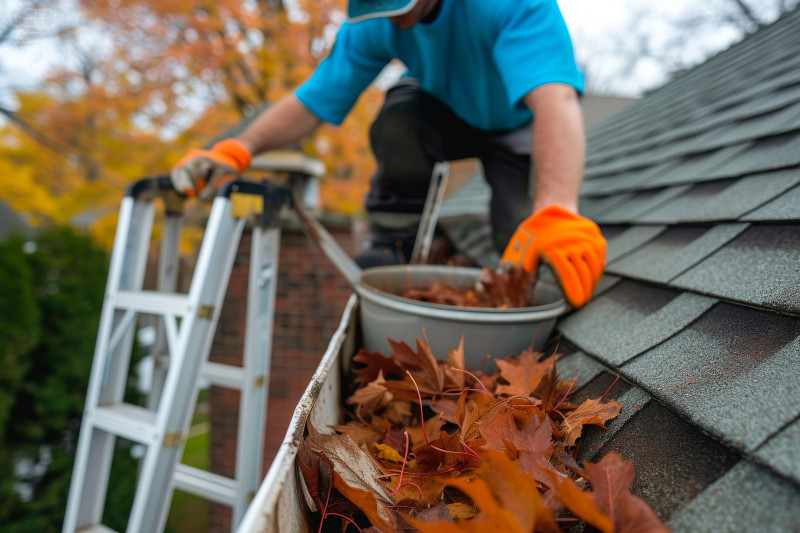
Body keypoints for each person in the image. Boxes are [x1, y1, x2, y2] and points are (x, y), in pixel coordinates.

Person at [170, 0, 606, 308]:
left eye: (401, 7)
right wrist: (239, 148)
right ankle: (393, 241)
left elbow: (556, 102)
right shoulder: (375, 20)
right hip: (442, 109)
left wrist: (555, 209)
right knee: (399, 113)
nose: (395, 19)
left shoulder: (511, 4)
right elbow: (314, 99)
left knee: (522, 242)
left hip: (517, 123)